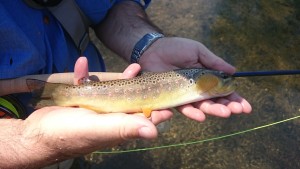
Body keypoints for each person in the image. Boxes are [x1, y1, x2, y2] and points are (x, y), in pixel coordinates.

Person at [0, 0, 252, 168]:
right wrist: (29, 141)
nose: (227, 81)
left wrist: (149, 45)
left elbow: (109, 7)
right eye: (223, 79)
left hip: (70, 131)